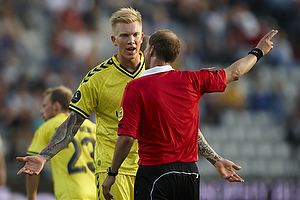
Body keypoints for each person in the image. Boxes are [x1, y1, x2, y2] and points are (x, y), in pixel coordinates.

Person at [102, 29, 278, 200]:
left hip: (155, 172)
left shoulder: (136, 87)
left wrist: (112, 173)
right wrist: (258, 51)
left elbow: (126, 138)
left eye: (146, 49)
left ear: (152, 50)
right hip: (189, 174)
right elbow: (235, 73)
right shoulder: (193, 79)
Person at [16, 7, 145, 200]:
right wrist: (44, 156)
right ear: (114, 40)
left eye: (135, 34)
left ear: (142, 37)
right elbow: (71, 123)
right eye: (124, 35)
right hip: (113, 171)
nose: (131, 41)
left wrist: (208, 155)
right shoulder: (96, 79)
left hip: (151, 166)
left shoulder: (156, 72)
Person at [26, 85, 96, 200]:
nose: (41, 111)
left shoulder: (47, 127)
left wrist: (31, 198)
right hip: (98, 194)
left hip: (71, 194)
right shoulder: (92, 127)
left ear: (56, 106)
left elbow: (31, 168)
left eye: (44, 106)